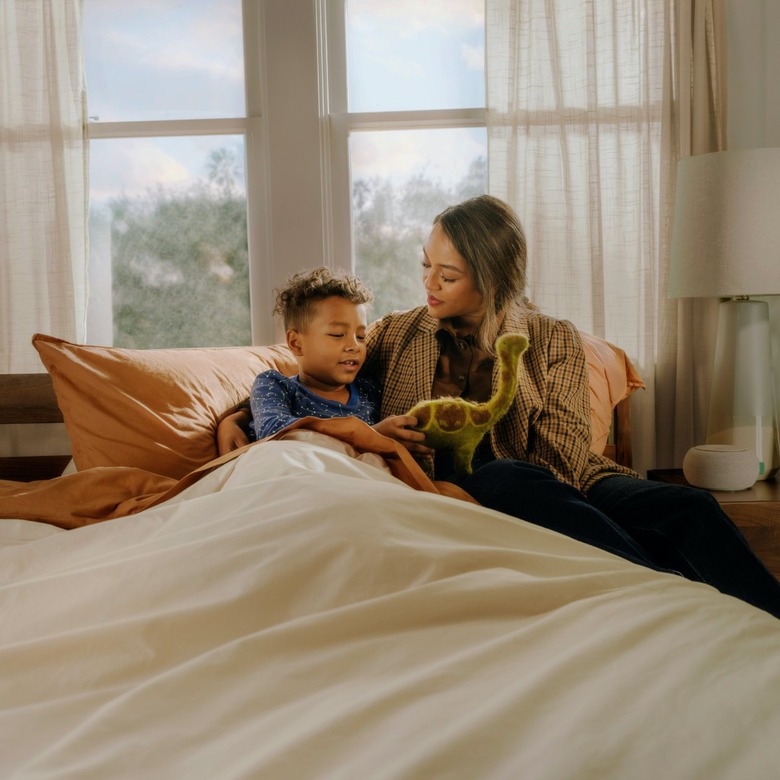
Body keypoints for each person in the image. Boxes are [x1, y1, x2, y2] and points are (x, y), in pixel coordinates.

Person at [220, 197, 780, 619]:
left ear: (491, 278)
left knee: (689, 510)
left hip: (568, 483)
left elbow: (565, 450)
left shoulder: (551, 338)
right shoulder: (394, 332)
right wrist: (235, 418)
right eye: (425, 266)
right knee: (504, 476)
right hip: (451, 487)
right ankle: (666, 589)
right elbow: (314, 386)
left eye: (449, 274)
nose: (429, 284)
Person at [217, 266, 418, 454]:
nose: (354, 345)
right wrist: (370, 434)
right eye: (338, 334)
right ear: (296, 343)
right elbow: (275, 432)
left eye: (361, 336)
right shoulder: (275, 385)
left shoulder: (370, 391)